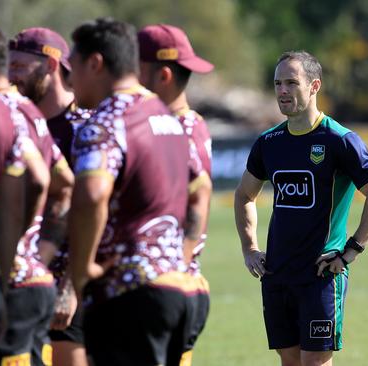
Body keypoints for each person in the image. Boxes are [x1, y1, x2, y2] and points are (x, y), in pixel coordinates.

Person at [234, 50, 368, 366]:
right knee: (290, 362)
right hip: (277, 274)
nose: (282, 91)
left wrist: (351, 251)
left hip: (320, 275)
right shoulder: (269, 143)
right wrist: (250, 248)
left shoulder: (340, 140)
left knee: (315, 363)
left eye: (292, 83)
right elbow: (244, 196)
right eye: (278, 83)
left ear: (314, 86)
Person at [67, 18, 205, 365]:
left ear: (95, 63)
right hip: (178, 288)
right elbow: (198, 191)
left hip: (128, 291)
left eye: (75, 66)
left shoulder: (106, 121)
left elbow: (93, 193)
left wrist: (81, 270)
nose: (70, 79)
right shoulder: (171, 119)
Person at [0, 20, 66, 366]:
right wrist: (33, 254)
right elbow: (58, 182)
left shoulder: (4, 106)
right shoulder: (24, 111)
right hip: (27, 278)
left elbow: (44, 181)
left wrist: (14, 254)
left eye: (22, 67)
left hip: (1, 277)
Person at [9, 27, 90, 366]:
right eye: (8, 66)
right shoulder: (16, 122)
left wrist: (70, 290)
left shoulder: (85, 129)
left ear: (52, 66)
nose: (11, 77)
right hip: (20, 285)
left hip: (68, 295)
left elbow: (93, 213)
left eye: (20, 67)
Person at [137, 23, 214, 359]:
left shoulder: (176, 127)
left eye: (132, 71)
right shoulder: (188, 123)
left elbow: (199, 196)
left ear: (163, 76)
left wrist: (175, 266)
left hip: (166, 284)